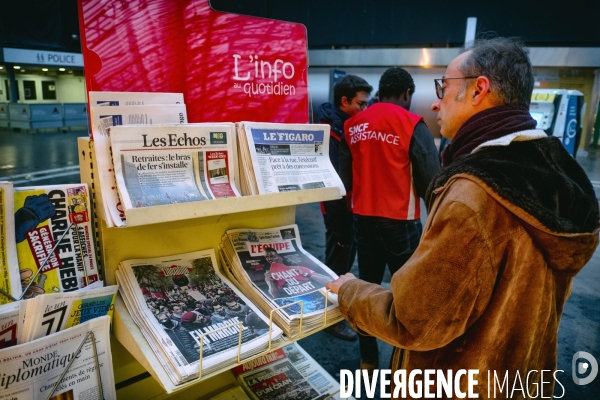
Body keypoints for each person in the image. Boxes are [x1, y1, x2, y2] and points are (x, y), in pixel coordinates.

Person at [327, 37, 599, 397]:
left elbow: (414, 319)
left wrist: (349, 291)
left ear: (479, 89)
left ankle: (366, 362)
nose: (436, 101)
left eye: (444, 86)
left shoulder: (472, 199)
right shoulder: (554, 174)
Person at [338, 66, 440, 372]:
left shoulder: (353, 125)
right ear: (407, 94)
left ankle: (368, 360)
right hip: (401, 224)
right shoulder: (411, 124)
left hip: (363, 222)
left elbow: (344, 179)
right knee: (409, 298)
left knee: (366, 291)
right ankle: (405, 362)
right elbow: (432, 182)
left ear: (382, 90)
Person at [316, 75, 373, 342]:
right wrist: (342, 227)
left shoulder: (340, 124)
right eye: (360, 104)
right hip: (339, 206)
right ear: (344, 101)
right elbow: (334, 180)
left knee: (339, 257)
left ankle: (330, 315)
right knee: (338, 260)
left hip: (343, 204)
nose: (364, 109)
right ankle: (331, 320)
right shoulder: (334, 131)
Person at [263, 247, 330, 299]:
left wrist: (306, 274)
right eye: (267, 257)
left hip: (318, 295)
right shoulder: (270, 276)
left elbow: (328, 281)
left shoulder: (299, 268)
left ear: (280, 258)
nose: (269, 259)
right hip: (300, 301)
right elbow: (275, 296)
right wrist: (270, 281)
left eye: (272, 256)